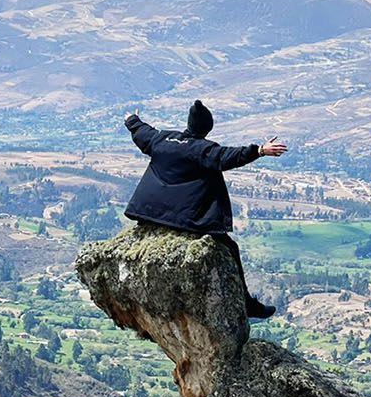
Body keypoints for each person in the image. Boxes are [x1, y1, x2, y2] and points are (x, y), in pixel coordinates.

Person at [123, 100, 289, 318]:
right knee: (230, 248)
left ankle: (247, 303)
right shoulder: (203, 149)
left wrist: (131, 120)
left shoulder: (162, 139)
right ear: (207, 128)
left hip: (148, 214)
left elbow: (142, 132)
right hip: (185, 219)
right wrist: (259, 150)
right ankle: (247, 303)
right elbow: (230, 156)